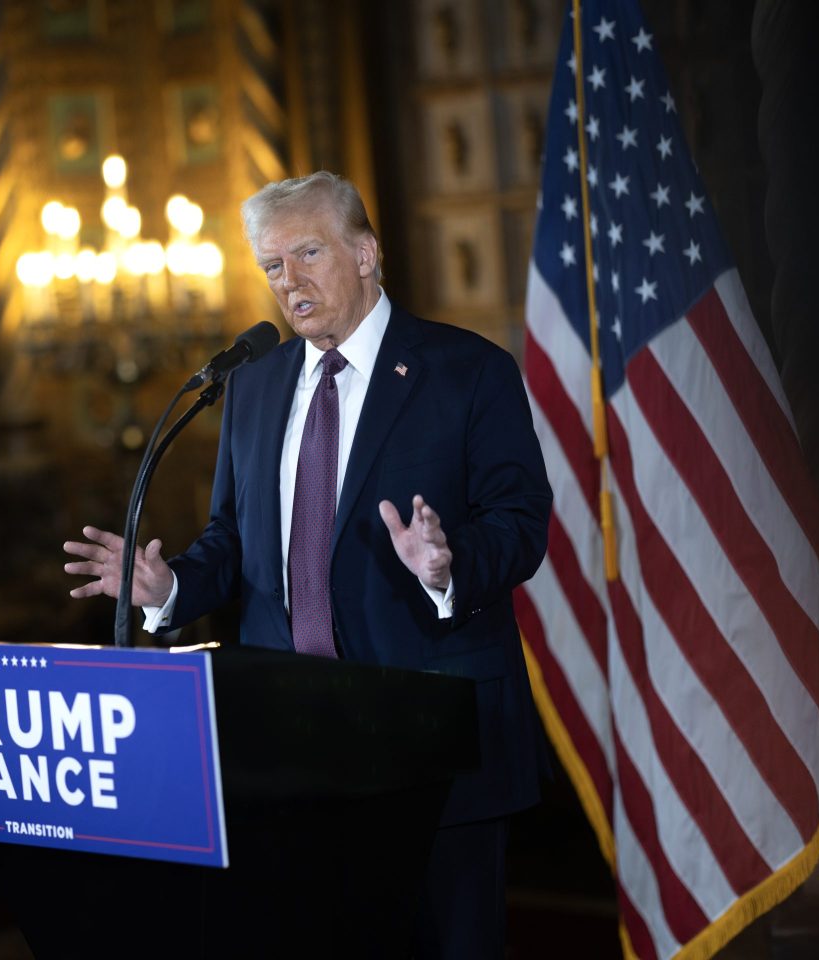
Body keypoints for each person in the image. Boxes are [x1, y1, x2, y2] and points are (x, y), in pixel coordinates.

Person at [64, 170, 552, 958]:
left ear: (367, 253)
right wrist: (172, 585)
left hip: (432, 738)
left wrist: (445, 565)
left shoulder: (467, 371)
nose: (288, 281)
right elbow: (234, 536)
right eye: (271, 266)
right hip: (294, 745)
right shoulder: (253, 385)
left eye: (308, 253)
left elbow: (521, 522)